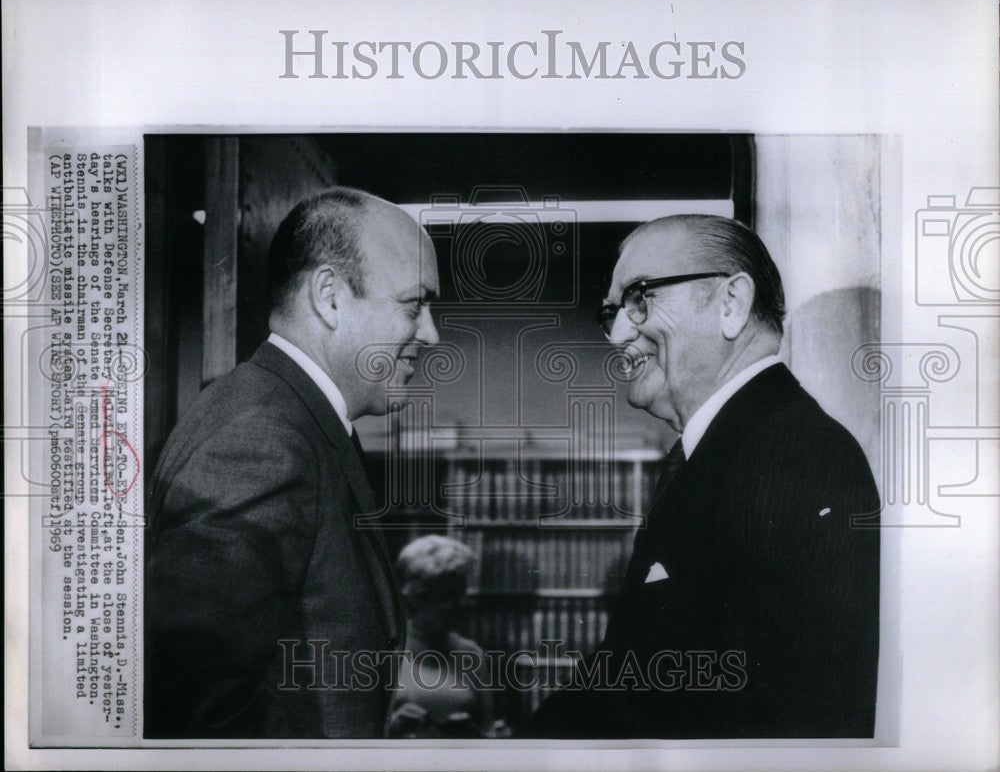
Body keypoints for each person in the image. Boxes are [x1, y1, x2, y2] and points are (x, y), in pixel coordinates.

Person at [521, 214, 880, 739]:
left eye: (640, 298)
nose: (619, 333)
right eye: (612, 312)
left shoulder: (789, 456)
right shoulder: (731, 448)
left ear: (731, 303)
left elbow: (778, 717)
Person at [144, 188, 440, 738]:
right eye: (414, 304)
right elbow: (201, 709)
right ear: (329, 297)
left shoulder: (296, 419)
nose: (431, 333)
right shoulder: (262, 438)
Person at [387, 534, 505, 738]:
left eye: (462, 594)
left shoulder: (472, 654)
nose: (460, 604)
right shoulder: (387, 651)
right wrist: (391, 728)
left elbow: (487, 730)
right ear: (416, 597)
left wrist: (489, 736)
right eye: (448, 596)